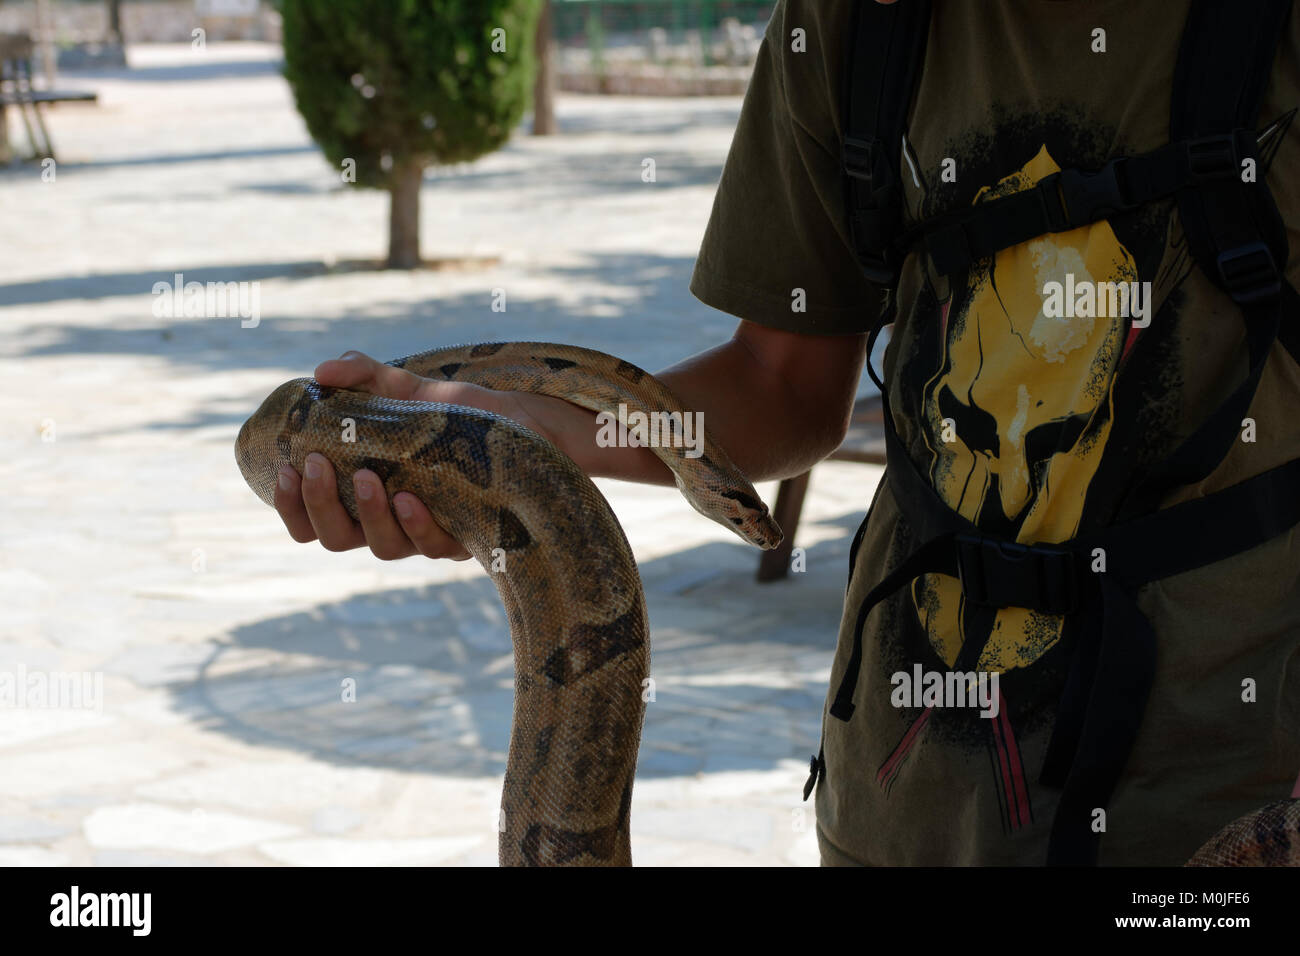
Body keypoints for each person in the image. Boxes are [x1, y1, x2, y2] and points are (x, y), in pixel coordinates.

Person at [271, 0, 1300, 865]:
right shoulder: (853, 24)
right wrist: (508, 431)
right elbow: (782, 381)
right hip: (903, 805)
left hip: (1226, 794)